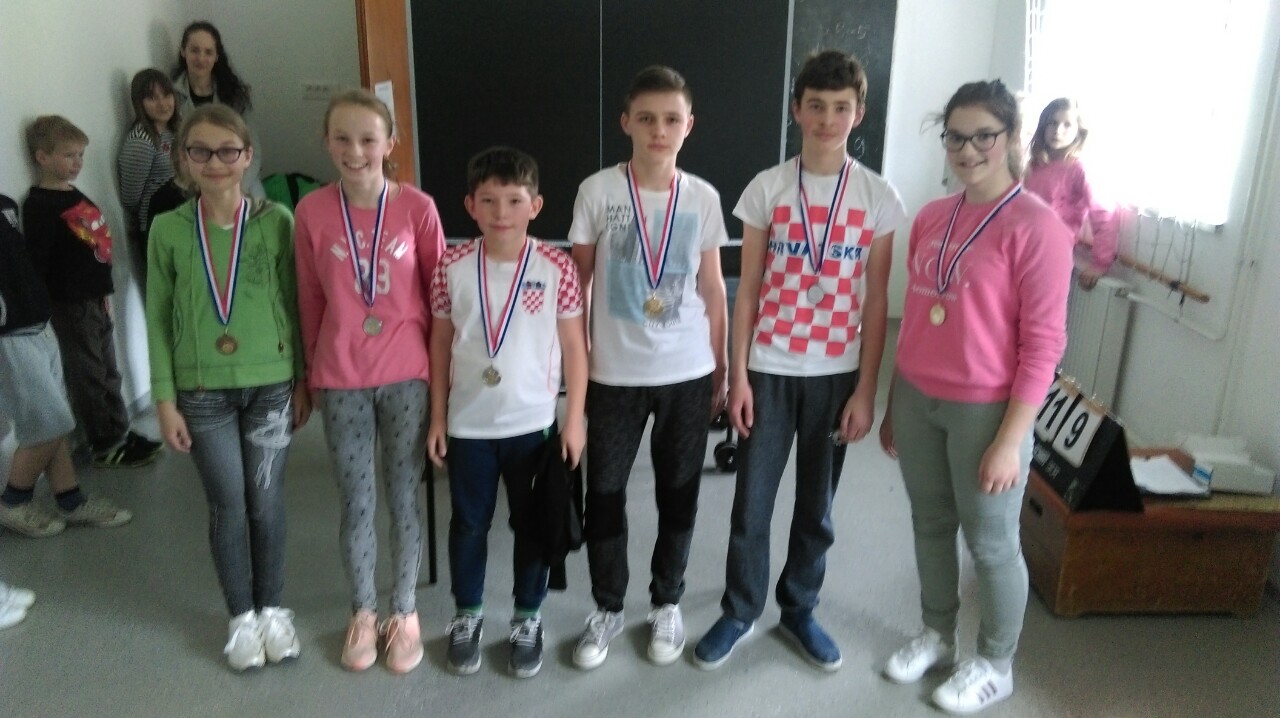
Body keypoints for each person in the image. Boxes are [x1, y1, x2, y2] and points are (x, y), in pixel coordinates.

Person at [693, 50, 905, 672]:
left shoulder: (877, 196)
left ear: (859, 113)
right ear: (796, 110)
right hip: (769, 369)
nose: (828, 119)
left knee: (817, 506)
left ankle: (799, 607)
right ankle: (740, 608)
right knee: (751, 503)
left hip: (836, 377)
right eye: (816, 106)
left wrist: (866, 390)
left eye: (841, 107)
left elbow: (876, 302)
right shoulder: (768, 188)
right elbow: (748, 292)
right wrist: (737, 375)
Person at [878, 80, 1072, 715]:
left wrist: (1012, 440)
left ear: (1011, 138)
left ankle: (995, 662)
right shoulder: (933, 217)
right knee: (930, 523)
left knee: (991, 544)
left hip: (986, 411)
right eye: (955, 137)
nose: (967, 150)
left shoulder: (1038, 228)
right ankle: (938, 634)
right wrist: (894, 404)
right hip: (918, 399)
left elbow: (1043, 346)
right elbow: (918, 317)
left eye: (983, 136)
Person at [567, 66, 728, 670]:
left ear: (689, 126)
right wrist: (577, 371)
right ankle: (608, 606)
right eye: (647, 118)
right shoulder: (597, 191)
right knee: (605, 495)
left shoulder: (703, 197)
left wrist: (722, 369)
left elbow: (713, 289)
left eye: (671, 119)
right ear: (626, 123)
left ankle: (667, 602)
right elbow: (577, 287)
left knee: (679, 493)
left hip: (687, 371)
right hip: (614, 375)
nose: (659, 130)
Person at [146, 104, 311, 672]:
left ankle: (274, 611)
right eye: (200, 151)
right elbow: (157, 316)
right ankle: (241, 618)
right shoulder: (168, 228)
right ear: (183, 158)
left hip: (271, 387)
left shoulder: (276, 222)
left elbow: (296, 304)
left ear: (247, 157)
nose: (215, 162)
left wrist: (302, 379)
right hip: (201, 393)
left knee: (266, 502)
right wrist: (163, 399)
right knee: (229, 504)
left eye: (227, 151)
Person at [294, 90, 445, 674]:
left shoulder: (418, 209)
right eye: (342, 138)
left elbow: (438, 298)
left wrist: (443, 384)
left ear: (389, 143)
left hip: (407, 376)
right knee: (356, 503)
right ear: (326, 142)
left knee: (403, 497)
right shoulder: (311, 211)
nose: (355, 151)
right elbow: (309, 297)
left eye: (367, 139)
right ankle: (362, 610)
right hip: (341, 379)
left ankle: (403, 612)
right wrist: (309, 375)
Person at [427, 146, 587, 679]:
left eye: (514, 200)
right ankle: (468, 613)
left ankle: (526, 617)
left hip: (532, 426)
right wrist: (437, 418)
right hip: (468, 424)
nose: (501, 212)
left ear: (535, 205)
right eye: (489, 200)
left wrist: (574, 418)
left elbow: (575, 347)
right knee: (469, 523)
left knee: (533, 526)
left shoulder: (556, 267)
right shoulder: (450, 266)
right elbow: (440, 343)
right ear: (470, 205)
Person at [21, 115, 162, 469]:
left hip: (96, 298)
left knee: (109, 369)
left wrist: (103, 295)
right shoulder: (40, 204)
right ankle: (105, 442)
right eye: (69, 155)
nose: (77, 163)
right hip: (70, 304)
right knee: (89, 373)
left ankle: (119, 430)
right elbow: (38, 261)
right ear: (42, 157)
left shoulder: (74, 194)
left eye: (80, 155)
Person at [0, 191, 133, 539]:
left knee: (54, 420)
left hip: (37, 321)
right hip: (9, 336)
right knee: (51, 423)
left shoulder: (4, 205)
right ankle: (14, 500)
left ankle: (70, 500)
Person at [1024, 97, 1115, 289]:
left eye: (1067, 125)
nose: (1058, 130)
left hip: (1051, 256)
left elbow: (1103, 216)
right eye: (1052, 123)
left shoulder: (1079, 168)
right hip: (1022, 249)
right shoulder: (1035, 164)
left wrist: (1101, 263)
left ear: (1078, 131)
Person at [172, 21, 264, 199]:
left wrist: (239, 187)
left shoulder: (235, 95)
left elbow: (254, 151)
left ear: (216, 56)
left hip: (238, 178)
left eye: (208, 52)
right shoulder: (170, 97)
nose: (201, 58)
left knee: (259, 211)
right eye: (195, 50)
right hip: (193, 181)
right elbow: (174, 154)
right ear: (183, 51)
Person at [118, 68, 181, 289]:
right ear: (139, 103)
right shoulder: (142, 140)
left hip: (182, 217)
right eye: (153, 98)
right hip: (158, 226)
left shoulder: (176, 130)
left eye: (166, 95)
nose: (163, 104)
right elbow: (130, 198)